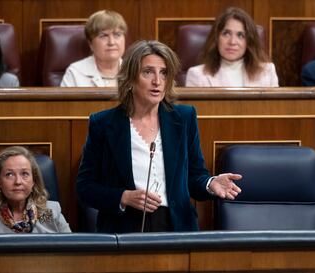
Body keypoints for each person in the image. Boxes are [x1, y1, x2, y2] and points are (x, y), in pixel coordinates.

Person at [76, 40, 242, 233]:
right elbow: (85, 188)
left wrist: (209, 183)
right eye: (148, 72)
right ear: (129, 79)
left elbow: (195, 176)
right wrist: (123, 197)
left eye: (163, 73)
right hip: (124, 228)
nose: (157, 81)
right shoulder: (104, 124)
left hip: (176, 227)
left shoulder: (184, 118)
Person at [0, 146, 71, 234]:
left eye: (25, 174)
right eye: (9, 174)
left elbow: (71, 251)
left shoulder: (48, 213)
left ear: (33, 180)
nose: (18, 182)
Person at [185, 7, 278, 87]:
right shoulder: (197, 75)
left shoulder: (268, 72)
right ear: (216, 38)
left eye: (240, 35)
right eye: (226, 34)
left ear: (249, 41)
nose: (232, 42)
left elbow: (274, 108)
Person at [60, 10, 127, 87]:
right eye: (103, 36)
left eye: (117, 35)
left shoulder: (135, 72)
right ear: (90, 43)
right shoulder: (75, 73)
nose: (111, 42)